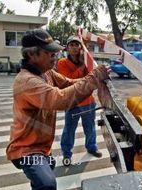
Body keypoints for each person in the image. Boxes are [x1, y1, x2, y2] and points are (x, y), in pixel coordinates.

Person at [6, 29, 109, 190]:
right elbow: (61, 99)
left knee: (47, 169)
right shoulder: (27, 81)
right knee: (47, 184)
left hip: (40, 147)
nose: (55, 56)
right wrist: (94, 78)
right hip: (26, 150)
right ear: (32, 55)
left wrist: (95, 78)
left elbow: (70, 83)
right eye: (50, 53)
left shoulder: (47, 73)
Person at [57, 35, 102, 167]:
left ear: (80, 47)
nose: (74, 47)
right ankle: (66, 153)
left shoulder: (87, 61)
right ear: (67, 48)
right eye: (71, 45)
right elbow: (69, 79)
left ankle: (92, 147)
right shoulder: (62, 63)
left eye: (77, 45)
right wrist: (83, 67)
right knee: (69, 129)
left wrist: (87, 62)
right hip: (72, 102)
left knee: (90, 127)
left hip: (88, 101)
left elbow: (92, 76)